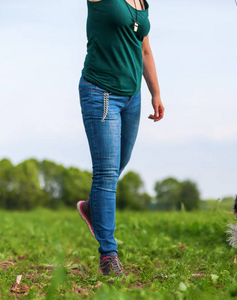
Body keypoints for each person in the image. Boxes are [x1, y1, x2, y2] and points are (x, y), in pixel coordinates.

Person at [76, 0, 164, 277]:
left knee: (118, 164)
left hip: (132, 96)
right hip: (100, 92)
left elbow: (145, 50)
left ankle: (93, 206)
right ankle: (108, 256)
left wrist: (156, 93)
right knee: (105, 172)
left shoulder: (142, 2)